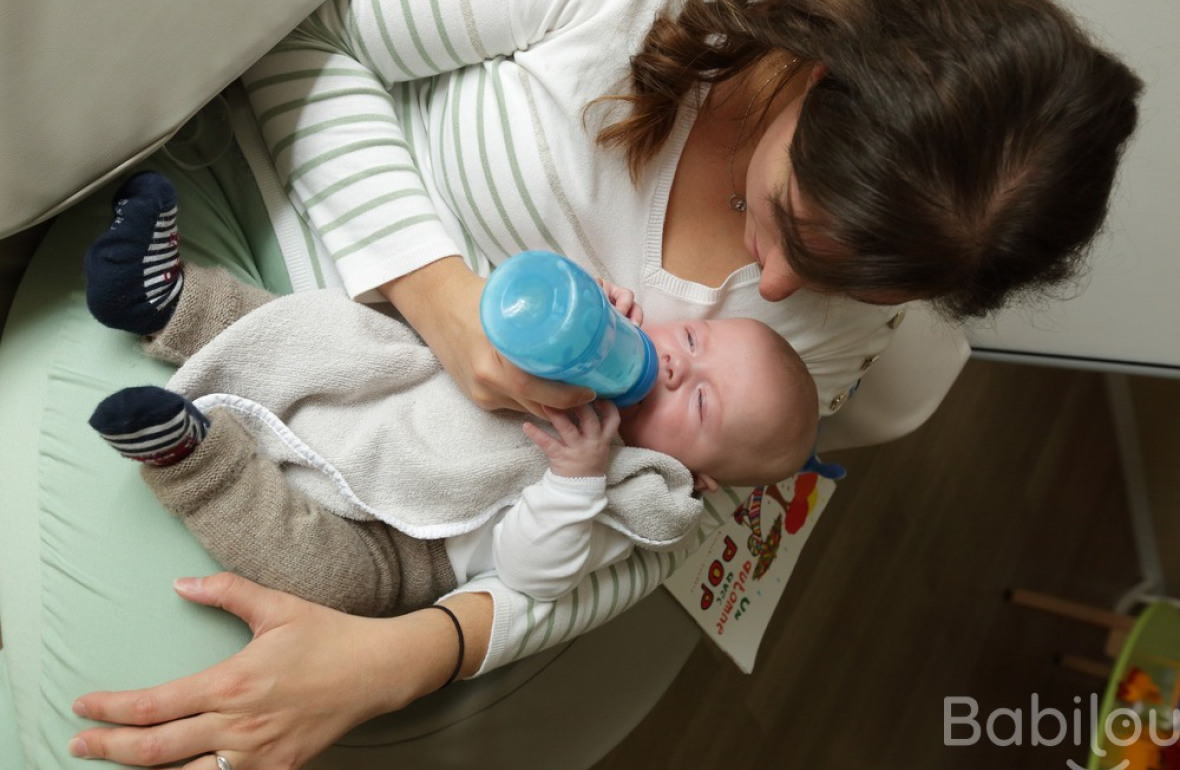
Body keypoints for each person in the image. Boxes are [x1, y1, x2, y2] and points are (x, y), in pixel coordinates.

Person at [68, 0, 1142, 767]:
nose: (768, 286)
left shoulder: (854, 297)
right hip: (242, 260)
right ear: (820, 73)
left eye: (848, 280)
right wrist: (444, 303)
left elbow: (662, 517)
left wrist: (405, 656)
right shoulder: (627, 18)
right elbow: (301, 29)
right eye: (793, 225)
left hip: (395, 519)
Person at [82, 171, 819, 614]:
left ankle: (196, 461)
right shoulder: (603, 341)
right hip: (400, 385)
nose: (678, 369)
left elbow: (535, 576)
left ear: (700, 475)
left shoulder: (629, 491)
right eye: (691, 342)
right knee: (323, 333)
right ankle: (172, 301)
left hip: (408, 546)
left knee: (333, 581)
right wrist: (575, 313)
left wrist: (576, 481)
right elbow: (493, 316)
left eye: (699, 404)